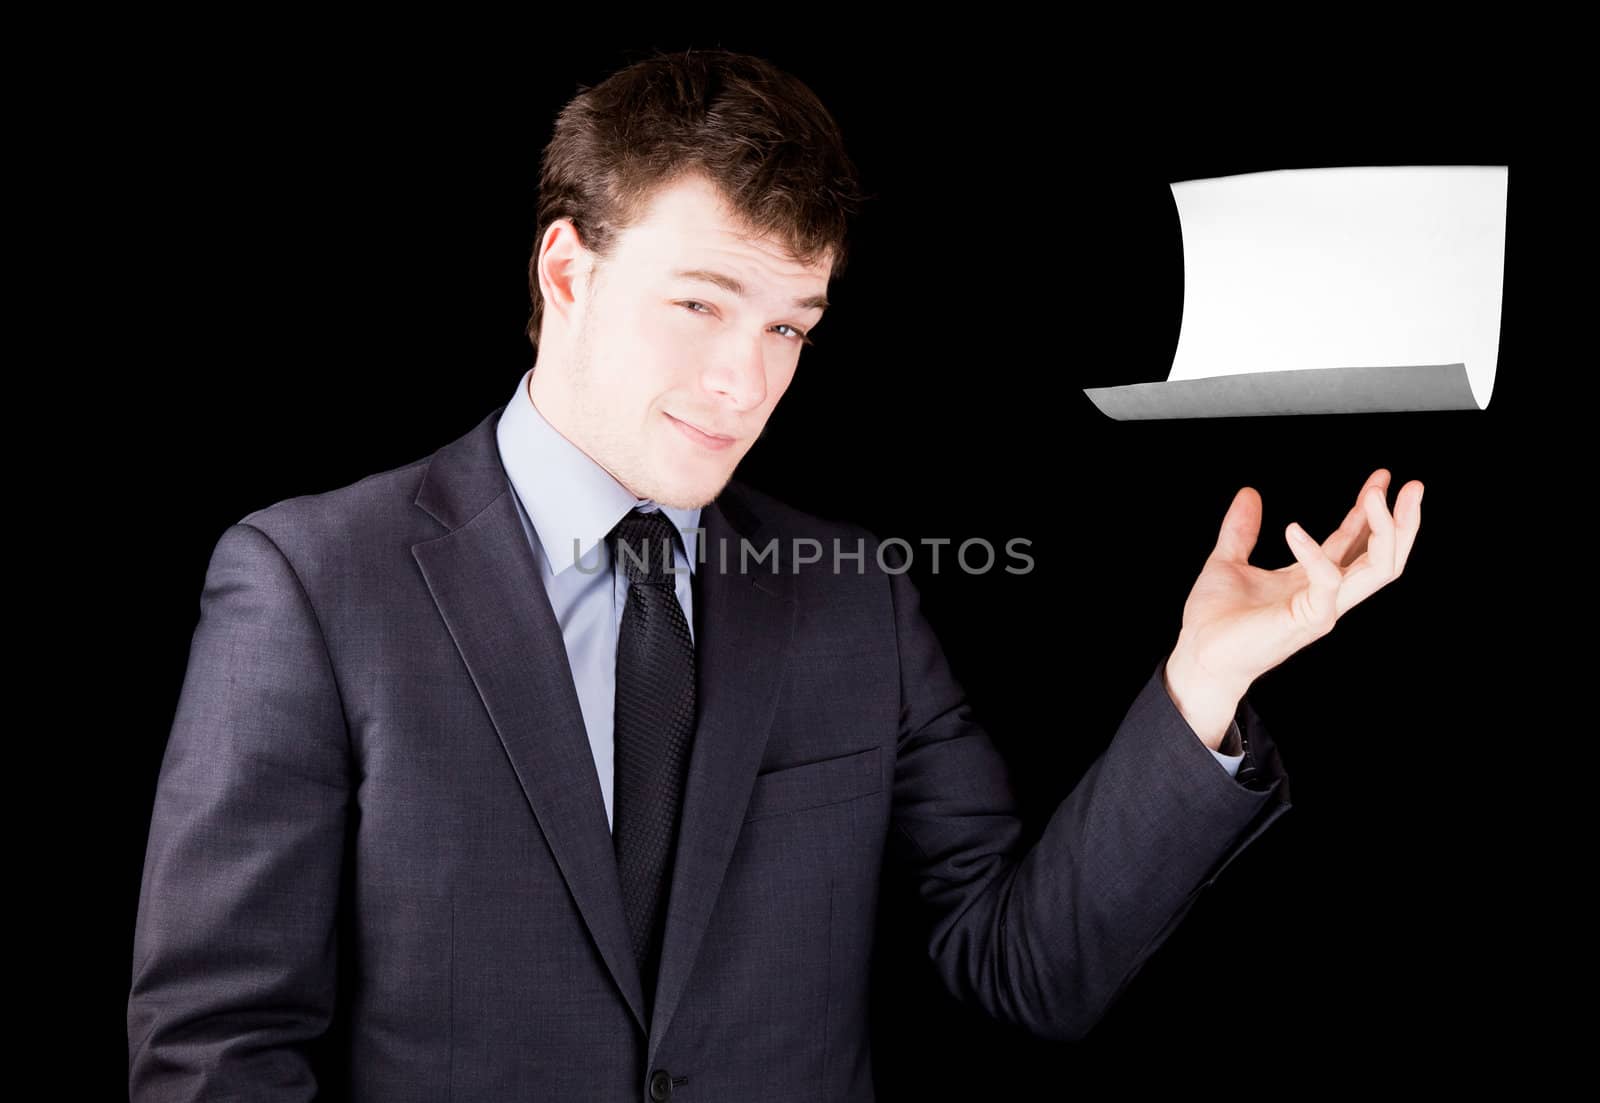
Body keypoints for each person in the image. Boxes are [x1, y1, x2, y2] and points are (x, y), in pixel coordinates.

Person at [127, 47, 1423, 1100]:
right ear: (567, 269)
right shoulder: (311, 582)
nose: (746, 384)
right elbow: (219, 1050)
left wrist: (1206, 679)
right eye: (699, 306)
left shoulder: (854, 600)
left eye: (789, 327)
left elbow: (1026, 966)